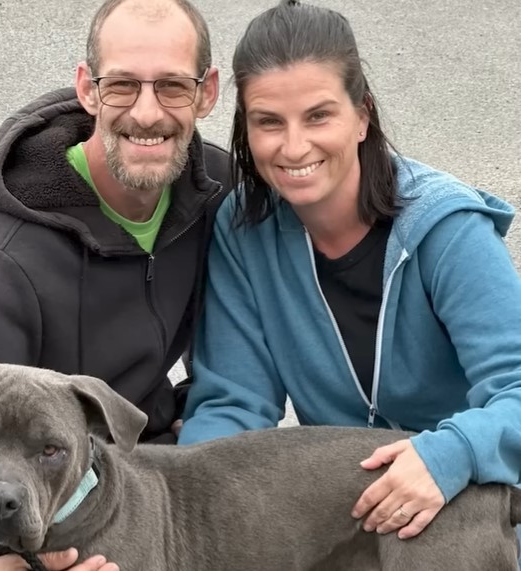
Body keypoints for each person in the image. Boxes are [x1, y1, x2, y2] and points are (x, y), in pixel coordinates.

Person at [178, 0, 521, 560]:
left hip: (482, 519)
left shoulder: (446, 229)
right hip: (349, 524)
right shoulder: (244, 231)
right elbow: (234, 408)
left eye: (318, 116)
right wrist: (183, 509)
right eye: (268, 122)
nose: (293, 147)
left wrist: (449, 453)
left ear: (362, 115)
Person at [0, 0, 227, 570]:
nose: (147, 113)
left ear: (207, 92)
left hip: (154, 475)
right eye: (122, 85)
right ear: (88, 90)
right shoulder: (11, 257)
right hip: (50, 506)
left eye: (172, 86)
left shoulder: (217, 193)